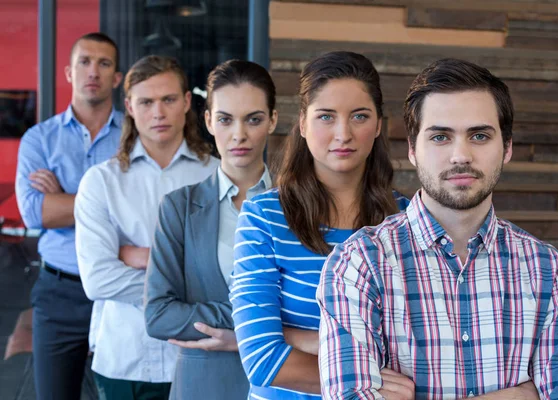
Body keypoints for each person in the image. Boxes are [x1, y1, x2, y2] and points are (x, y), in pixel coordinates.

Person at [317, 58, 558, 399]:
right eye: (440, 137)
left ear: (506, 147)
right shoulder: (358, 264)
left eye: (479, 135)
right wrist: (522, 395)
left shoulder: (551, 274)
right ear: (413, 149)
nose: (460, 155)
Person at [230, 51, 410, 400]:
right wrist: (366, 380)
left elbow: (419, 349)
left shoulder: (406, 221)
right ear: (302, 122)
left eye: (359, 116)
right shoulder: (263, 216)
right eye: (326, 116)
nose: (343, 133)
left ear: (377, 126)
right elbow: (262, 358)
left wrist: (298, 337)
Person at [74, 55, 219, 400]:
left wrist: (139, 257)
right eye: (146, 102)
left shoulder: (218, 176)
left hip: (203, 354)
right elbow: (98, 279)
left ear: (186, 102)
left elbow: (228, 271)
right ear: (129, 107)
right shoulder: (101, 182)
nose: (158, 112)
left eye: (168, 99)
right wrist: (186, 279)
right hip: (125, 357)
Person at [144, 59, 278, 400]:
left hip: (282, 385)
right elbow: (159, 315)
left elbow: (314, 308)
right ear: (207, 121)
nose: (239, 135)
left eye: (254, 119)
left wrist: (237, 336)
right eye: (225, 119)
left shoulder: (301, 205)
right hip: (202, 385)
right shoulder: (179, 207)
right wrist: (254, 315)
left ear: (273, 120)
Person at [15, 32, 123, 400]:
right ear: (68, 72)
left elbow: (141, 211)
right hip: (58, 292)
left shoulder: (133, 137)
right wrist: (107, 204)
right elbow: (34, 212)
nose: (93, 71)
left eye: (104, 63)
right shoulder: (38, 139)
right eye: (84, 62)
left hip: (119, 290)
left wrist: (63, 199)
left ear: (117, 78)